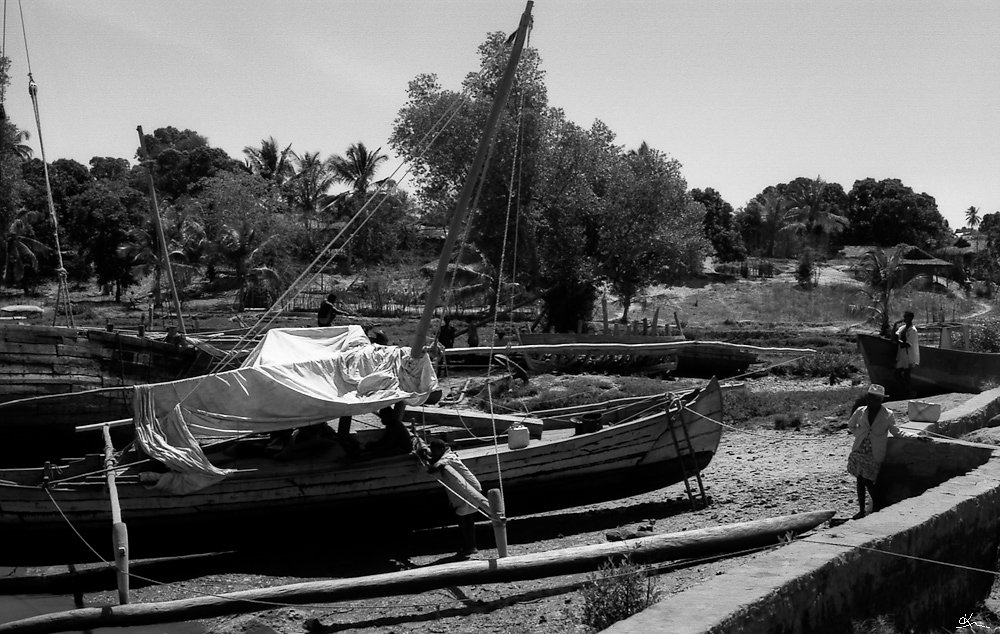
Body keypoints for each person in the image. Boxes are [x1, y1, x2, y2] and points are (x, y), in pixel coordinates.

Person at [846, 384, 910, 519]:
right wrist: (860, 434)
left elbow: (896, 431)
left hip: (874, 451)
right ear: (868, 398)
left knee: (868, 480)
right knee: (860, 479)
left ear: (881, 400)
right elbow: (851, 425)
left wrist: (913, 436)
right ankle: (862, 510)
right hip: (860, 449)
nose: (874, 401)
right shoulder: (861, 411)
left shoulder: (887, 415)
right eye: (871, 398)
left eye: (877, 399)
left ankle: (878, 506)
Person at [425, 438, 481, 557]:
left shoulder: (448, 458)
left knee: (463, 519)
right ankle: (470, 546)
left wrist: (425, 459)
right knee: (466, 518)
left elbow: (434, 468)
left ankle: (470, 546)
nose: (433, 454)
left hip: (469, 490)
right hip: (463, 491)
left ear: (441, 449)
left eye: (434, 451)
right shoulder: (445, 455)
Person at [892, 310, 920, 397]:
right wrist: (894, 326)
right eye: (904, 317)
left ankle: (909, 392)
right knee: (899, 374)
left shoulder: (913, 330)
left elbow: (908, 344)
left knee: (905, 374)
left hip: (909, 355)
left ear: (911, 318)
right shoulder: (902, 328)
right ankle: (908, 391)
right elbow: (894, 336)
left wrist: (898, 341)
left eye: (906, 317)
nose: (904, 318)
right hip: (902, 354)